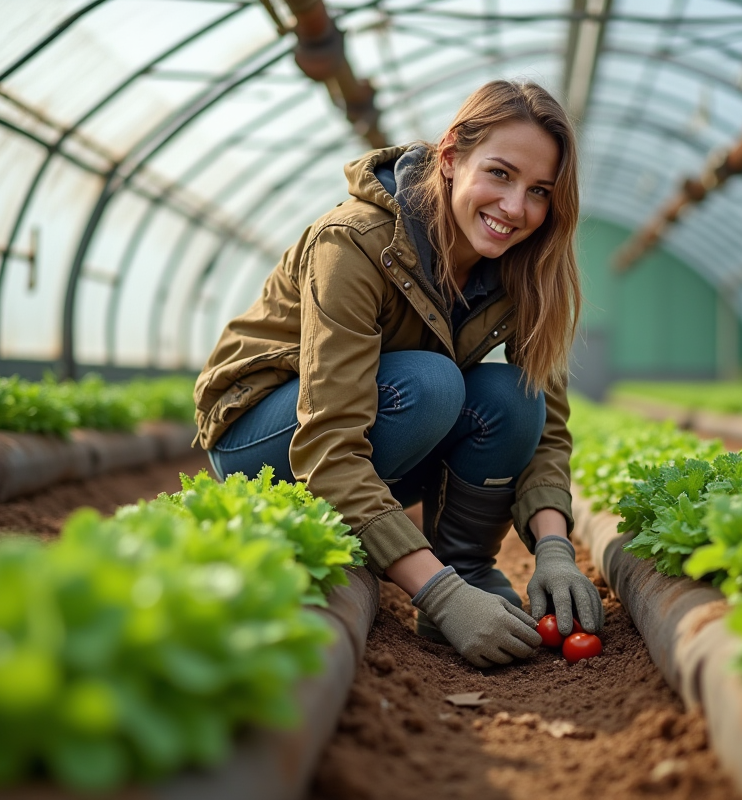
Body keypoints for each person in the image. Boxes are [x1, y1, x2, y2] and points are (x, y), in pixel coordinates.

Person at [192, 80, 603, 668]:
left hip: (384, 431)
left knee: (512, 398)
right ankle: (439, 578)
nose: (516, 209)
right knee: (433, 384)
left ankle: (466, 564)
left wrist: (557, 550)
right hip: (266, 433)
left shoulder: (528, 272)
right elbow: (330, 444)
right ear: (451, 157)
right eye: (500, 174)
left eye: (539, 191)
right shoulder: (356, 242)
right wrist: (440, 596)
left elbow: (547, 432)